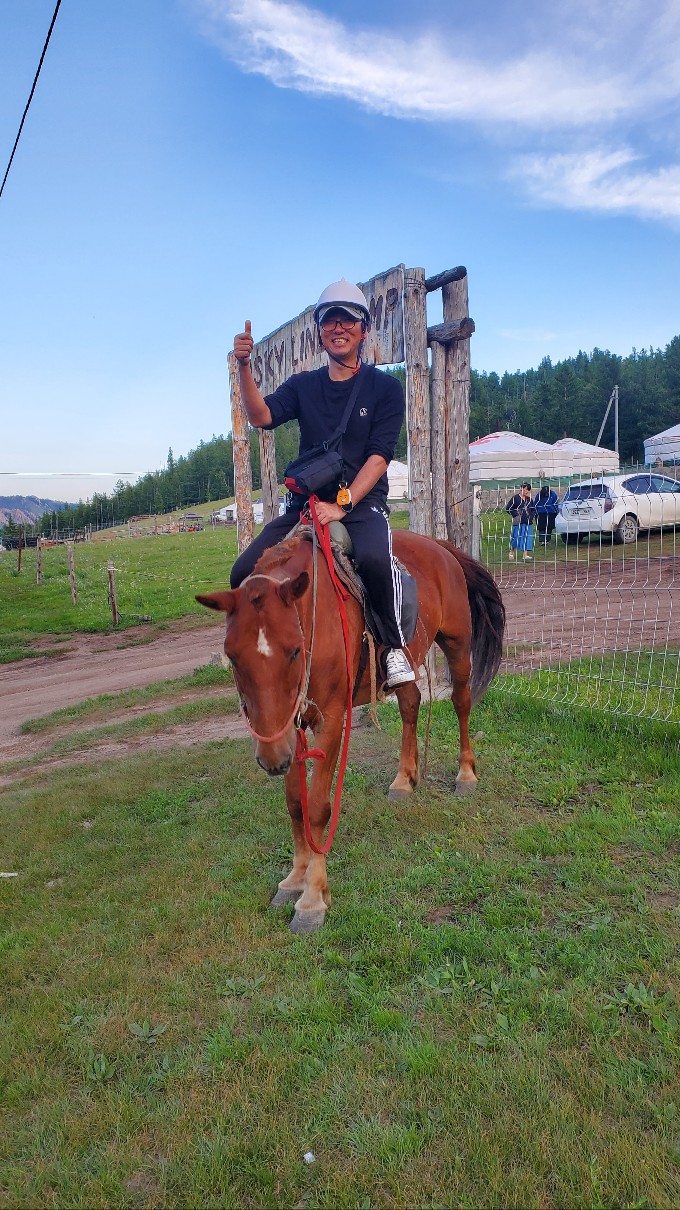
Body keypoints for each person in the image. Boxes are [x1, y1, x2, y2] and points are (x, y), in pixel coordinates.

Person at [230, 278, 415, 688]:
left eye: (348, 320)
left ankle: (393, 648)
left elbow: (380, 456)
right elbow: (260, 417)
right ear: (320, 332)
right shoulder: (303, 386)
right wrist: (244, 368)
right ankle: (261, 656)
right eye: (330, 321)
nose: (339, 328)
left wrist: (344, 503)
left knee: (373, 560)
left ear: (363, 329)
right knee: (243, 571)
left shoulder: (385, 388)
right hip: (305, 505)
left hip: (362, 504)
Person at [505, 482, 535, 560]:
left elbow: (533, 510)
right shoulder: (515, 498)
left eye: (528, 490)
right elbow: (508, 508)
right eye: (525, 489)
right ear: (521, 489)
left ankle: (525, 554)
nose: (527, 491)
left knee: (526, 537)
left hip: (528, 521)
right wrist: (516, 514)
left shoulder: (529, 499)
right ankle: (512, 552)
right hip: (518, 522)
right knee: (516, 537)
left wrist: (531, 517)